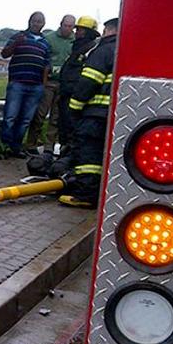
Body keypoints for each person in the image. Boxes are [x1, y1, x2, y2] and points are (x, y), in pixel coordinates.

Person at [59, 18, 118, 208]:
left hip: (95, 114)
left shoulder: (103, 51)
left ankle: (86, 195)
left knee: (89, 155)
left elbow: (88, 82)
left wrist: (74, 108)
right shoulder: (126, 50)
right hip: (115, 115)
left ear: (109, 30)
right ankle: (102, 194)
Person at [0, 11, 51, 158]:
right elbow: (4, 54)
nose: (37, 24)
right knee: (10, 117)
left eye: (40, 21)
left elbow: (47, 66)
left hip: (36, 87)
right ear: (29, 21)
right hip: (17, 84)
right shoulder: (19, 36)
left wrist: (43, 86)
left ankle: (16, 147)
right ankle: (5, 146)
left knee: (25, 120)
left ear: (43, 24)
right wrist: (16, 44)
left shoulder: (45, 43)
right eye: (34, 21)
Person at [26, 14, 75, 154]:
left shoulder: (74, 41)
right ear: (61, 24)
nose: (68, 29)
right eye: (66, 26)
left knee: (56, 117)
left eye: (71, 27)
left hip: (64, 84)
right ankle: (31, 144)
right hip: (48, 82)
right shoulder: (49, 38)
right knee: (40, 114)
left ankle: (49, 146)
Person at [57, 15, 100, 149]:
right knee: (64, 126)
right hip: (67, 94)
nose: (76, 32)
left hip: (75, 97)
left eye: (80, 30)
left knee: (72, 129)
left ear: (88, 32)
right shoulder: (78, 48)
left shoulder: (90, 49)